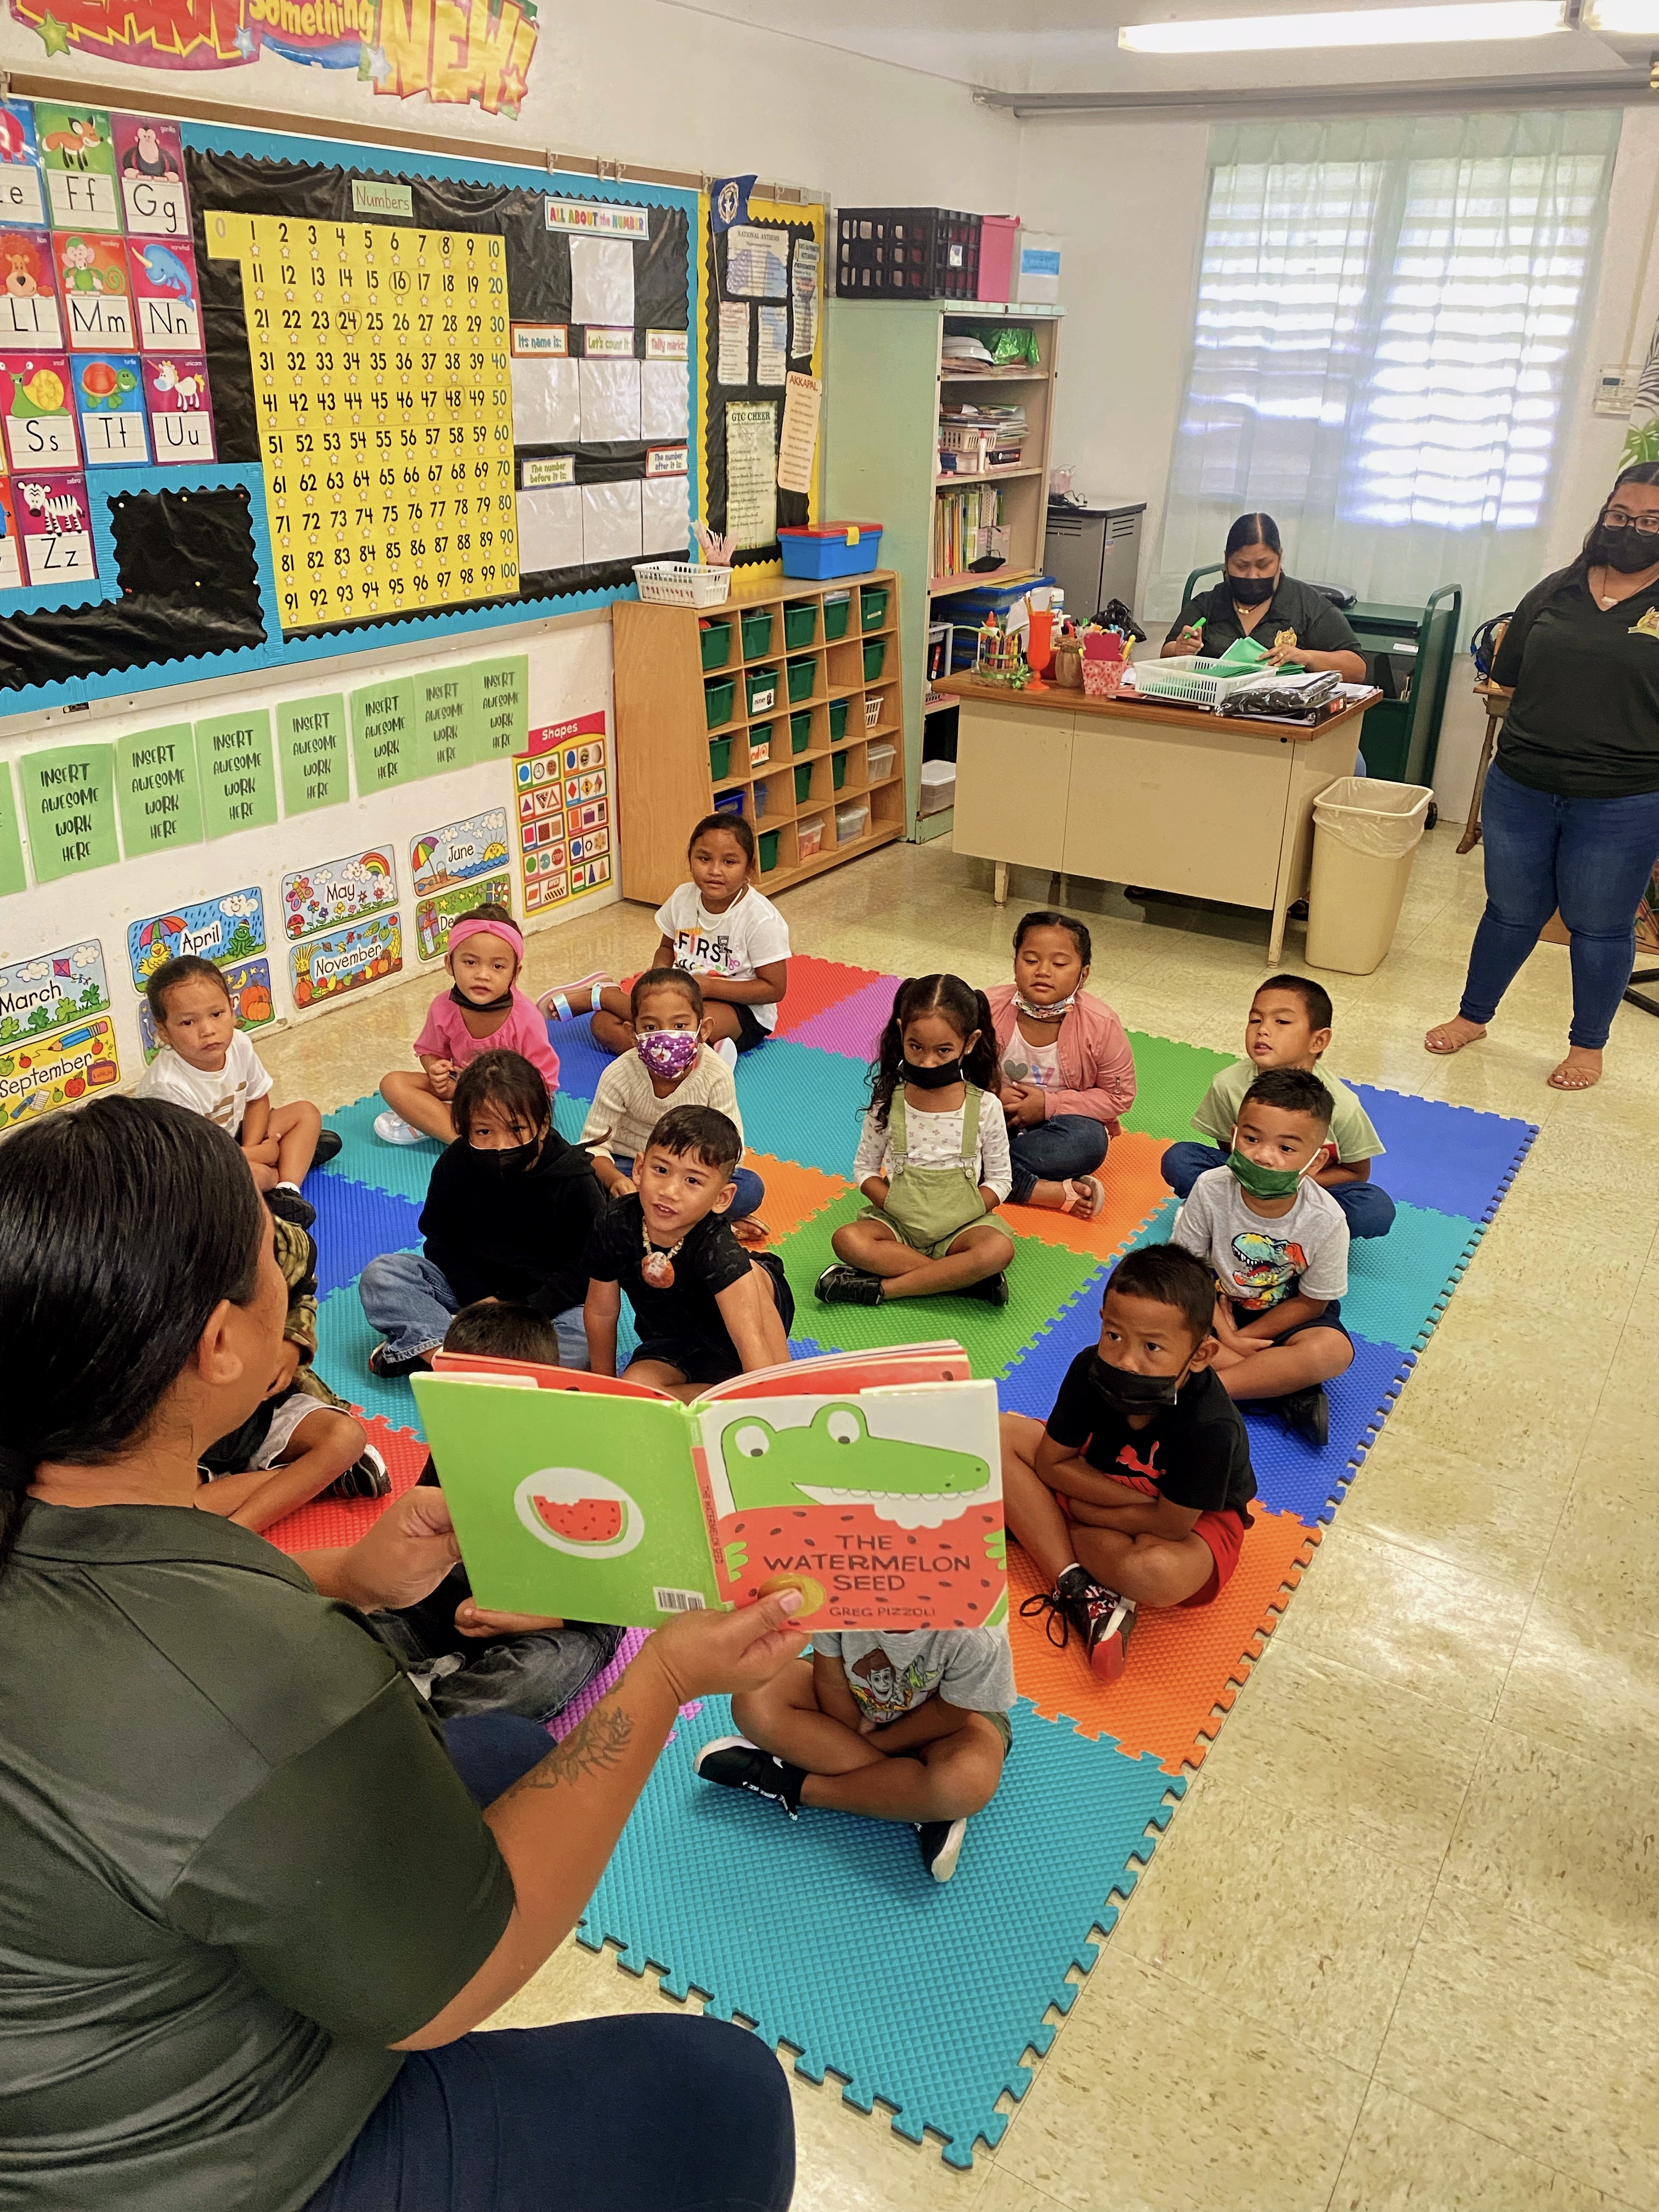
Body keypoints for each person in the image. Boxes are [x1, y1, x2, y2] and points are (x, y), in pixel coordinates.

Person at [0, 1093, 803, 2212]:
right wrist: (665, 1679)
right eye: (272, 1253)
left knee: (501, 1750)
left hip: (84, 1999)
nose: (295, 1274)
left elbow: (147, 1606)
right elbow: (445, 1997)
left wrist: (343, 1574)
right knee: (727, 2093)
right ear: (221, 1343)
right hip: (190, 2170)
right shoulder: (262, 1675)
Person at [1425, 461, 1659, 1092]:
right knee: (1511, 910)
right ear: (1603, 515)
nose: (1631, 529)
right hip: (1524, 782)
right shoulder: (1558, 589)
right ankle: (1474, 1016)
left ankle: (1588, 1046)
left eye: (1649, 521)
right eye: (1619, 515)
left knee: (1600, 923)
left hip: (1624, 796)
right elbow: (1511, 668)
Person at [1001, 1244, 1257, 1684]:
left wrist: (1079, 1508)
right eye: (1114, 1336)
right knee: (994, 1430)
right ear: (1101, 1321)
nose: (1126, 1359)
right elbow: (1052, 1463)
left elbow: (1174, 1525)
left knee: (1156, 1572)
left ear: (1200, 1355)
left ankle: (1034, 1523)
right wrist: (1112, 1505)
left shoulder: (1211, 1424)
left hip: (1195, 1518)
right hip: (1099, 1483)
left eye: (1153, 1347)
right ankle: (1078, 1587)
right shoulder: (1089, 1369)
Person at [375, 1299, 625, 1725]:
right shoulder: (455, 1440)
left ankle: (422, 1721)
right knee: (358, 1629)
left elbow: (615, 1595)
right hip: (453, 1599)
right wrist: (456, 1605)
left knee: (540, 1675)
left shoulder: (590, 1459)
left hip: (561, 1619)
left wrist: (531, 1618)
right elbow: (422, 1546)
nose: (476, 1419)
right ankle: (414, 1704)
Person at [694, 1616, 1015, 1886]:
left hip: (948, 1722)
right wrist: (862, 1737)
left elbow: (950, 1714)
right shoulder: (839, 1585)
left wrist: (881, 1743)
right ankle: (920, 1806)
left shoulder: (981, 1630)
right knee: (755, 1701)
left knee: (965, 1783)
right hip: (851, 1701)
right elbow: (831, 1682)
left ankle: (792, 1784)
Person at [359, 1049, 602, 1379]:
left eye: (517, 1129)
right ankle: (468, 1363)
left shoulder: (575, 1180)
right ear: (463, 1128)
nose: (501, 1145)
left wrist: (524, 1314)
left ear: (543, 1125)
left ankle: (433, 1352)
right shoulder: (455, 1165)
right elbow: (441, 1243)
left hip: (544, 1307)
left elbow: (588, 1267)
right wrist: (480, 1301)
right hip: (469, 1298)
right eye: (484, 1132)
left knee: (586, 1339)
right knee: (384, 1275)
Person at [1170, 1066, 1353, 1447]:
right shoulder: (1211, 1188)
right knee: (1159, 1318)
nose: (1264, 1157)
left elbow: (1312, 1302)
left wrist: (1239, 1340)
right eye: (1252, 1138)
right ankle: (1283, 1391)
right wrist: (1221, 1327)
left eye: (1286, 1148)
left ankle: (1203, 1390)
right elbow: (1184, 1268)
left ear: (1316, 1162)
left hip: (1285, 1316)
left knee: (1333, 1351)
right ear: (1234, 1136)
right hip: (1214, 1304)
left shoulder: (1328, 1219)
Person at [816, 974, 1015, 1309]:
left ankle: (885, 1290)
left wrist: (966, 1211)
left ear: (970, 1042)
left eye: (943, 1050)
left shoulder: (986, 1106)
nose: (927, 1061)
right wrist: (893, 1204)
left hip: (963, 1228)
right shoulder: (887, 1102)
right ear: (902, 1033)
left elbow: (1001, 1179)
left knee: (998, 1249)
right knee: (847, 1239)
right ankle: (961, 1282)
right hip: (898, 1226)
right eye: (916, 1047)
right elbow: (864, 1169)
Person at [1160, 974, 1395, 1240]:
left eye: (1282, 1021)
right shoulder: (1227, 1085)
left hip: (1306, 1191)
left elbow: (1356, 1173)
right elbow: (1231, 1149)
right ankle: (1230, 1217)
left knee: (1374, 1208)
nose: (1263, 1029)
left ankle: (1287, 1236)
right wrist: (1255, 1182)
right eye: (1256, 1020)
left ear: (1318, 1041)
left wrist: (1287, 1186)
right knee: (1180, 1158)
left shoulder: (1342, 1105)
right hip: (1245, 1184)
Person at [583, 1104, 794, 1399]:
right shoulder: (614, 1223)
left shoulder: (716, 1247)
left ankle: (777, 1386)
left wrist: (768, 1398)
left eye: (692, 1180)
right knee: (635, 1388)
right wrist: (602, 1389)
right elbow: (602, 1311)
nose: (670, 1190)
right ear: (640, 1169)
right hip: (673, 1336)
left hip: (741, 1329)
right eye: (661, 1170)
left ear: (722, 1198)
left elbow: (751, 1339)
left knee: (749, 1276)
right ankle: (728, 1395)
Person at [541, 815, 789, 1063]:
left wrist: (709, 987)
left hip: (739, 1010)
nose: (715, 870)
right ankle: (694, 1057)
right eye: (704, 859)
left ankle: (603, 997)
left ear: (749, 868)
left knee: (680, 1029)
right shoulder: (683, 897)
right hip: (678, 997)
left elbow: (774, 989)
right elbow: (666, 948)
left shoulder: (760, 919)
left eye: (729, 862)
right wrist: (658, 978)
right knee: (603, 1024)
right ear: (690, 860)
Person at [198, 1209, 389, 1531]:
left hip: (263, 1408)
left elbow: (301, 1293)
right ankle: (313, 1482)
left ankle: (243, 1528)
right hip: (189, 1436)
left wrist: (292, 1341)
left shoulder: (274, 1242)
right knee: (173, 1503)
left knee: (346, 1437)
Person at [136, 954, 336, 1224]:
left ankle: (287, 1190)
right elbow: (193, 1162)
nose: (207, 1030)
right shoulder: (166, 1087)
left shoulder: (239, 1044)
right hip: (192, 1168)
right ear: (164, 1031)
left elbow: (257, 1099)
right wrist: (263, 1154)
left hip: (234, 1140)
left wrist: (252, 1145)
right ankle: (282, 1168)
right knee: (253, 1175)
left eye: (217, 1014)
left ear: (232, 1009)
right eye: (188, 1022)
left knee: (305, 1113)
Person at [580, 966, 766, 1231]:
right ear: (633, 1034)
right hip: (632, 1166)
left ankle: (647, 1221)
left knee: (749, 1188)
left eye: (680, 1026)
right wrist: (615, 1181)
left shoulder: (715, 1074)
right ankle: (702, 1226)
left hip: (691, 1171)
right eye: (651, 1027)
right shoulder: (620, 1074)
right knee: (583, 1183)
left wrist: (687, 1179)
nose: (666, 1038)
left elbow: (731, 1151)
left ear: (703, 1031)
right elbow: (591, 1146)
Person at [984, 909, 1136, 1216]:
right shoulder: (986, 1008)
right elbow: (955, 1070)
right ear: (1015, 964)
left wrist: (1048, 1105)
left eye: (1060, 963)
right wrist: (992, 1093)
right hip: (993, 1119)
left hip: (1063, 1126)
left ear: (1084, 974)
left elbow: (1118, 1097)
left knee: (1090, 1141)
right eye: (1030, 960)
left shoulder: (1101, 1024)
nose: (1043, 971)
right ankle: (1048, 1191)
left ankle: (983, 1172)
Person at [376, 906, 558, 1145]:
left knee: (521, 1119)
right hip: (461, 1087)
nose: (482, 975)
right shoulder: (443, 1007)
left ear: (515, 973)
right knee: (393, 1084)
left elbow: (545, 1082)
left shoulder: (526, 1018)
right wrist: (435, 1070)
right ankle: (463, 1140)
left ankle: (455, 1126)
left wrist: (506, 1100)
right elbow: (429, 1051)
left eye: (498, 967)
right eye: (471, 962)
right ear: (450, 964)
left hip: (511, 1096)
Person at [1162, 511, 1367, 681]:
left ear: (1279, 559)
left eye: (1263, 565)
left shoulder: (1307, 605)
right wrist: (1180, 650)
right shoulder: (1209, 603)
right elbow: (1167, 652)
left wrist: (1307, 658)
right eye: (1241, 566)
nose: (1253, 575)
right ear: (1226, 561)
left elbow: (1357, 668)